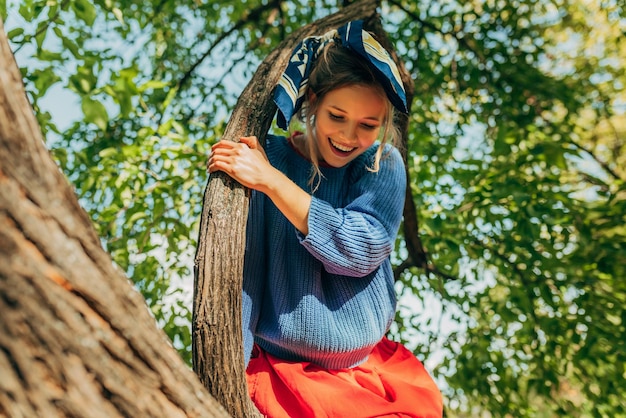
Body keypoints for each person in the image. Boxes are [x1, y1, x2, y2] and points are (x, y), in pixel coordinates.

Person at [208, 20, 443, 418]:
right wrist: (232, 368)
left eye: (369, 125)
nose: (349, 136)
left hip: (364, 370)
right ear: (312, 101)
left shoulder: (382, 164)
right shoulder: (267, 157)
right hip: (281, 372)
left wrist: (272, 183)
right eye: (337, 116)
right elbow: (244, 270)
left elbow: (362, 249)